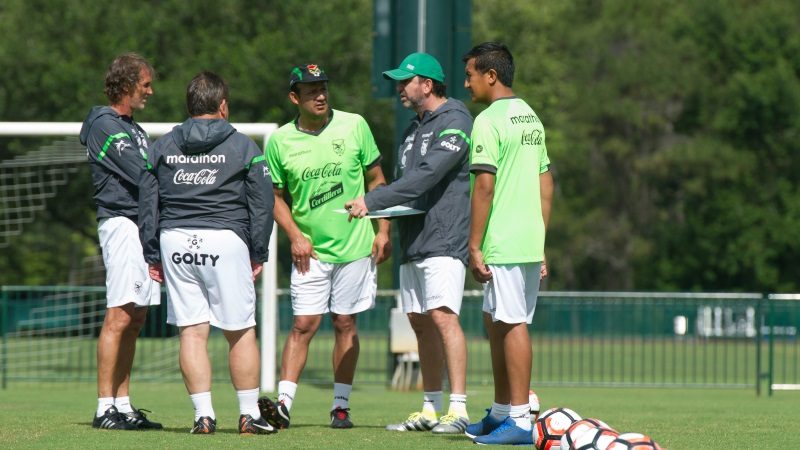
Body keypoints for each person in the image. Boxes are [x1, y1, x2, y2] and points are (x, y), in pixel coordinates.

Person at [138, 71, 276, 435]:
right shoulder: (244, 146)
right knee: (241, 331)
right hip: (225, 241)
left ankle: (203, 417)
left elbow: (147, 202)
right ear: (223, 105)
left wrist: (152, 252)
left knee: (192, 332)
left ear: (189, 106)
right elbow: (263, 204)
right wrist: (257, 252)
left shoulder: (161, 145)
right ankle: (249, 415)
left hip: (175, 242)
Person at [258, 64, 391, 430]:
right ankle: (283, 405)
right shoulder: (281, 141)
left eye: (323, 88)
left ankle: (341, 406)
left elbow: (378, 181)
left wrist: (383, 231)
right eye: (310, 89)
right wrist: (294, 236)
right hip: (310, 252)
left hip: (355, 247)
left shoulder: (355, 125)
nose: (320, 95)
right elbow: (274, 197)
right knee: (303, 325)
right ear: (294, 97)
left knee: (345, 323)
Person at [345, 52, 472, 435]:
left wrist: (372, 201)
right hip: (413, 239)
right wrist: (383, 223)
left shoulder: (456, 120)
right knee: (419, 322)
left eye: (406, 81)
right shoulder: (411, 129)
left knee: (444, 318)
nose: (399, 88)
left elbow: (427, 177)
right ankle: (431, 408)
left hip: (445, 237)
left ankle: (459, 409)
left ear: (428, 85)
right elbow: (407, 188)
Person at [461, 42, 554, 445]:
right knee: (495, 321)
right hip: (526, 238)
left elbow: (484, 185)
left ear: (490, 76)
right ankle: (501, 411)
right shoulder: (531, 117)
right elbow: (545, 182)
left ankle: (519, 419)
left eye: (470, 75)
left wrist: (474, 244)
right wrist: (541, 238)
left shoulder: (488, 119)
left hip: (502, 240)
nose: (467, 83)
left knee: (512, 323)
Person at [80, 52, 162, 431]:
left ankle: (124, 404)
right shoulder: (104, 125)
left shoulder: (136, 129)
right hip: (121, 225)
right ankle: (103, 407)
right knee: (120, 314)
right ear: (127, 86)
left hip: (142, 227)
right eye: (145, 84)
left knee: (137, 316)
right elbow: (143, 173)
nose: (150, 90)